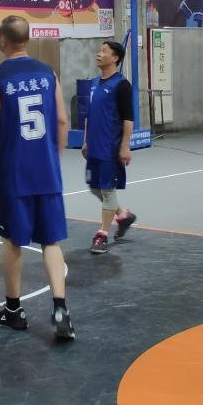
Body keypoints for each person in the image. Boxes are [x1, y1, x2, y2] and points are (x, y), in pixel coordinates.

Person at [0, 15, 75, 340]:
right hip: (46, 171)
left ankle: (13, 311)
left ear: (2, 39)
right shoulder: (48, 73)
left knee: (13, 241)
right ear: (28, 38)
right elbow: (62, 121)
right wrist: (53, 158)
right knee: (50, 240)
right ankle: (61, 309)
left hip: (14, 174)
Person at [82, 40, 137, 254]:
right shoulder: (94, 83)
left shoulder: (122, 85)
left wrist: (125, 147)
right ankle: (123, 215)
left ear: (115, 58)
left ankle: (102, 234)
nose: (99, 53)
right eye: (99, 50)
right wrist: (86, 140)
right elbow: (89, 115)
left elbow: (128, 119)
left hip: (110, 147)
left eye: (104, 51)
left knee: (107, 189)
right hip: (94, 146)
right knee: (94, 187)